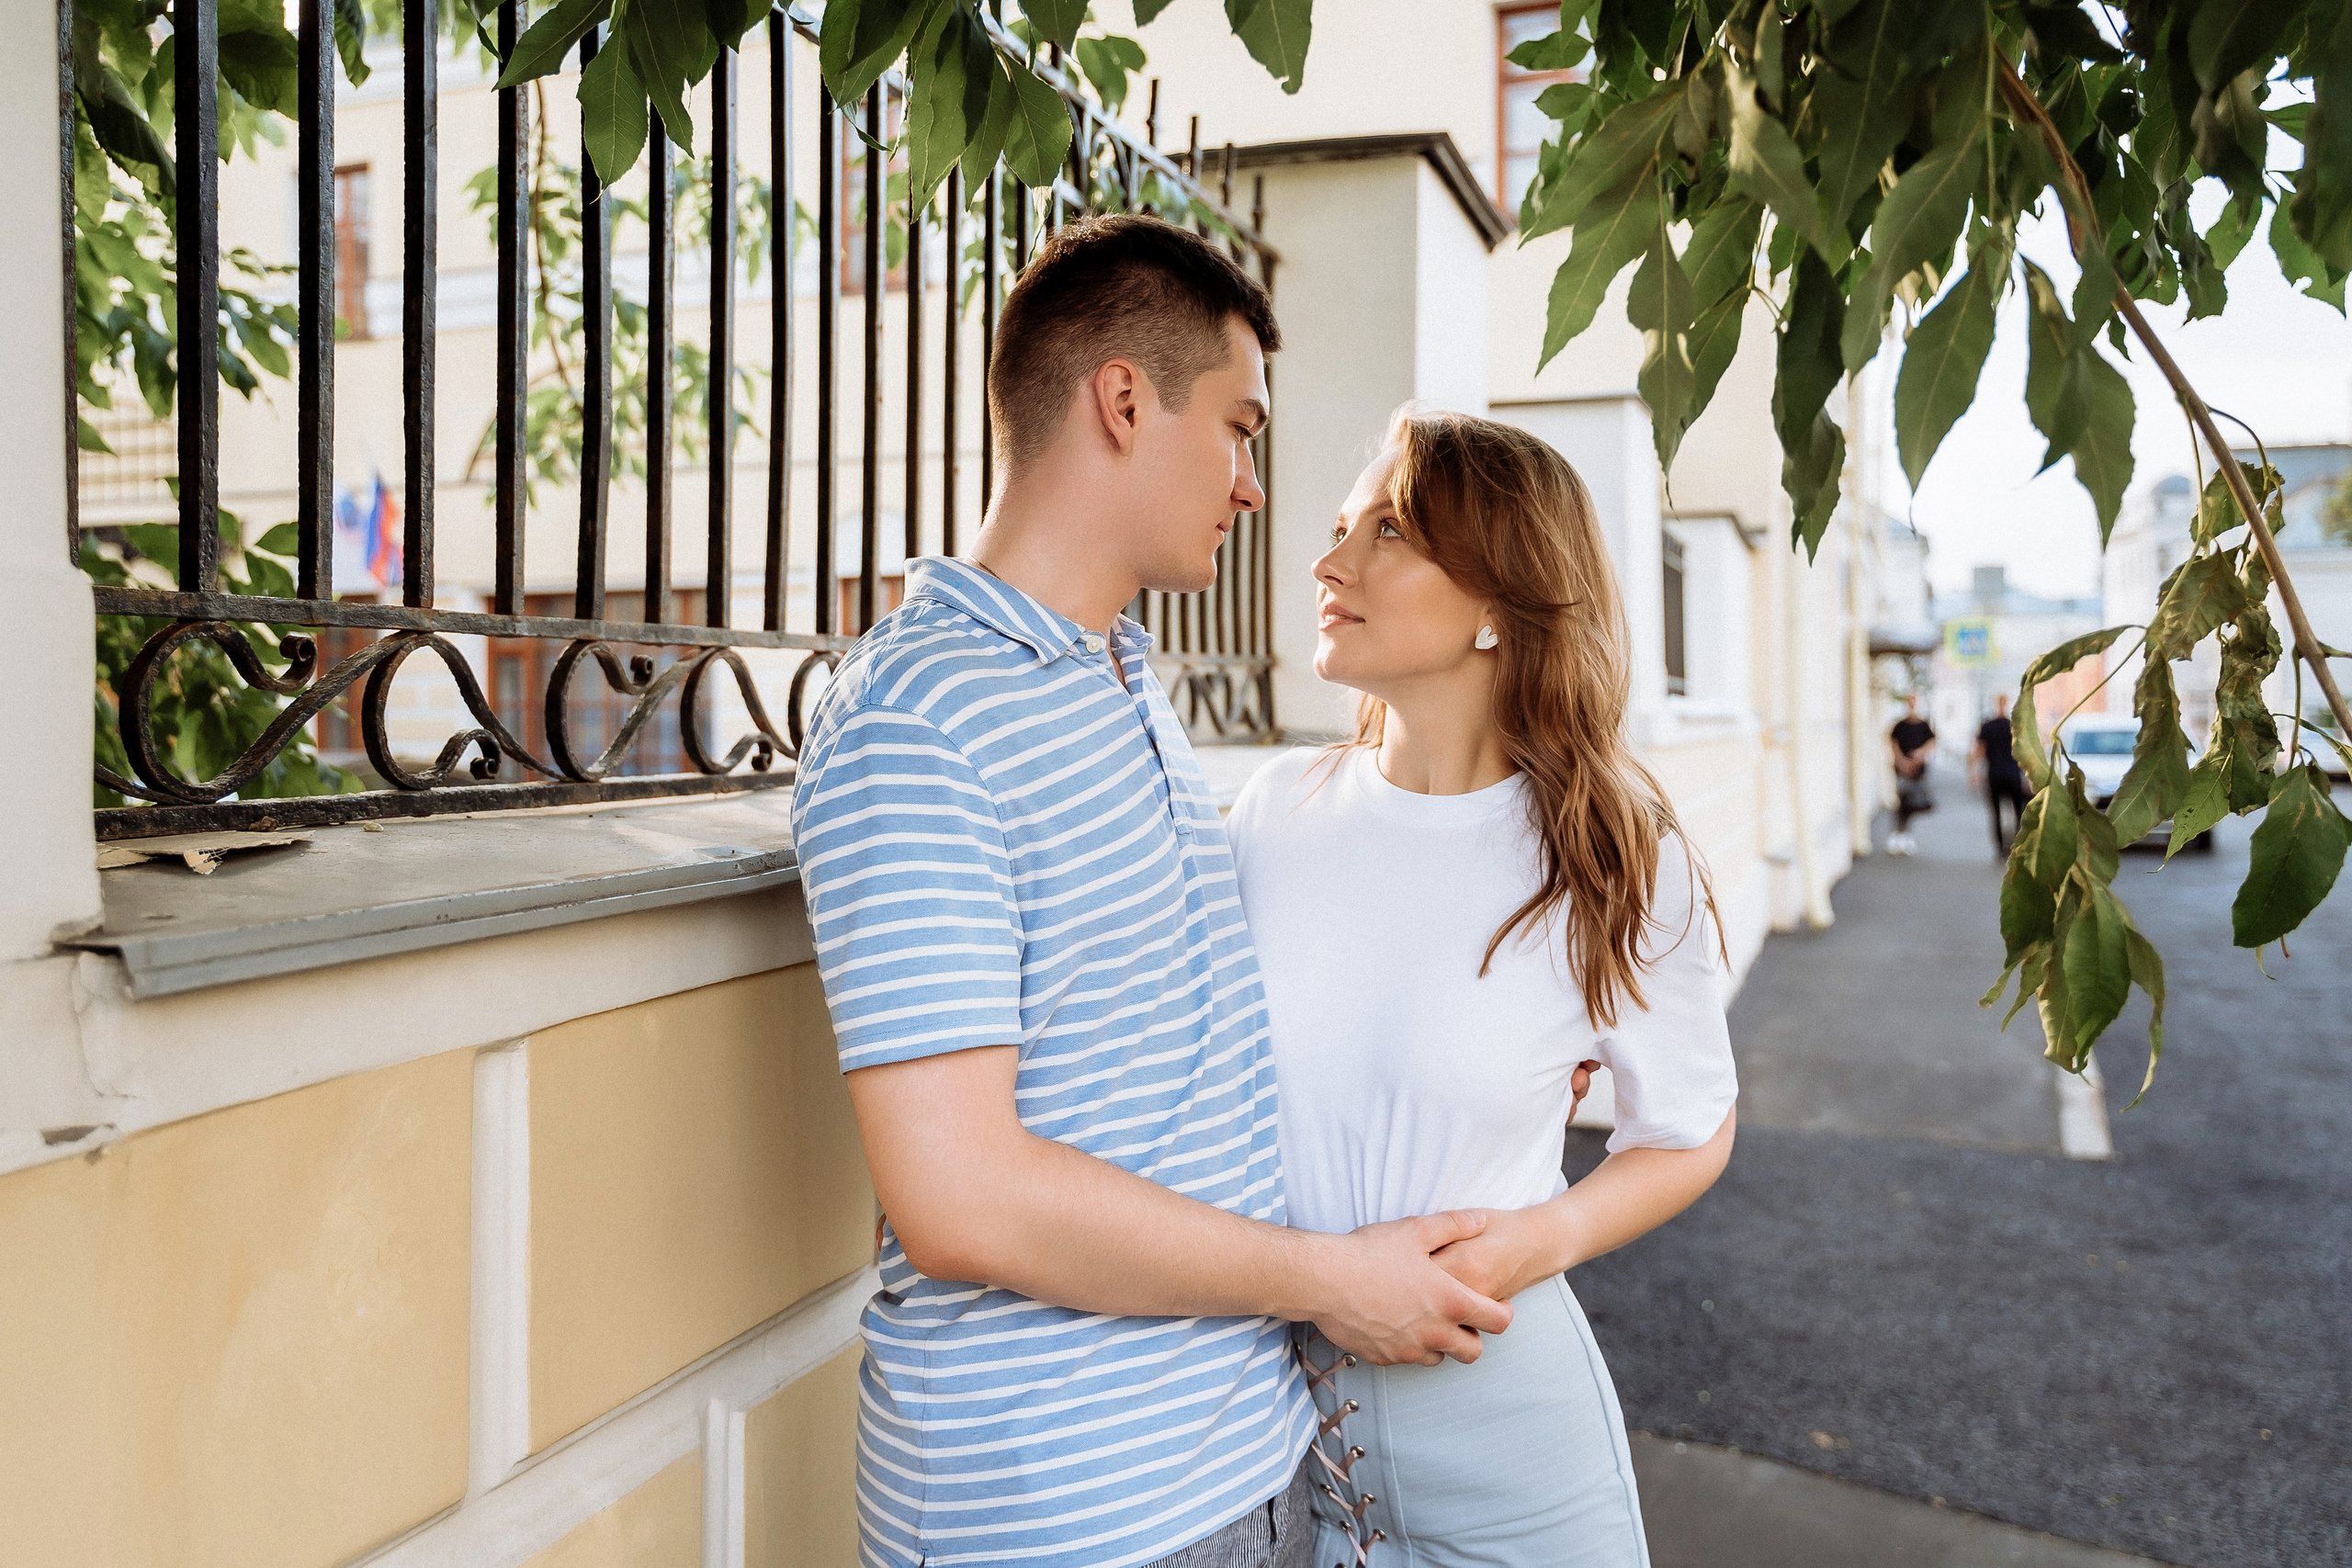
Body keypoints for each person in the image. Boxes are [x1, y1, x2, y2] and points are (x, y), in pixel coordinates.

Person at [789, 217, 1513, 1568]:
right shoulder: (917, 720)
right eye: (1239, 429)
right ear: (1124, 400)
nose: (1252, 486)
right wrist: (1333, 1283)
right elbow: (962, 1197)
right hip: (1072, 1517)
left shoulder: (1125, 674)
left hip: (1247, 1453)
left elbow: (1173, 1044)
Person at [1227, 411, 1739, 1567]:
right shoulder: (1272, 814)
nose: (1329, 562)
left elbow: (1689, 1128)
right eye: (1339, 527)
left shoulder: (1608, 851)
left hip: (1507, 1445)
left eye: (1389, 532)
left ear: (1502, 602)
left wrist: (1530, 1242)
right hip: (1278, 1452)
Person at [1973, 692, 2032, 854]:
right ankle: (2012, 842)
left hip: (1996, 774)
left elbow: (1979, 751)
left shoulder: (1988, 726)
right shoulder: (2015, 725)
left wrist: (1974, 773)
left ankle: (2001, 846)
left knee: (1997, 812)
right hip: (2011, 774)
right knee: (2016, 811)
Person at [1886, 695, 1937, 855]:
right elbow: (1893, 744)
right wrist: (1902, 762)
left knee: (1913, 802)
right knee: (1902, 800)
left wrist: (1919, 755)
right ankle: (1898, 834)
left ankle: (1905, 834)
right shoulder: (1900, 725)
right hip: (1902, 769)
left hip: (1918, 770)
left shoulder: (1923, 725)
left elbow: (1931, 742)